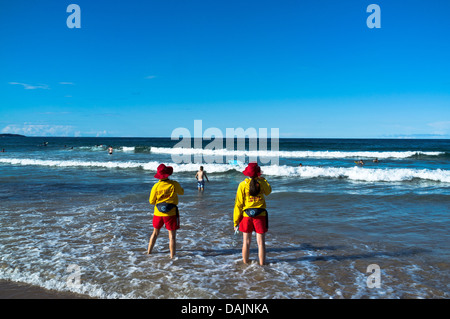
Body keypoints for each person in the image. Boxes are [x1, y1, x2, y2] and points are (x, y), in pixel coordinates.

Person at [233, 162, 272, 266]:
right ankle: (262, 265)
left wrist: (235, 222)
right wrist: (263, 179)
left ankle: (245, 265)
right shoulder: (262, 183)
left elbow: (238, 204)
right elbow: (268, 191)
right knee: (261, 243)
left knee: (246, 242)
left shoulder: (242, 185)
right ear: (258, 173)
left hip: (246, 216)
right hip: (260, 216)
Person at [147, 164, 184, 258]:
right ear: (168, 174)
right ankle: (172, 257)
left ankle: (149, 252)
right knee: (171, 236)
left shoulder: (156, 186)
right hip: (171, 213)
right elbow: (181, 192)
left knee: (155, 233)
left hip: (158, 213)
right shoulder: (174, 184)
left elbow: (151, 201)